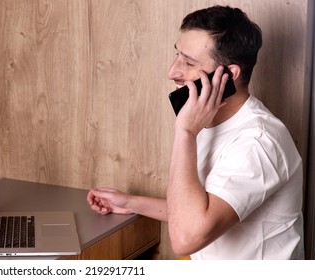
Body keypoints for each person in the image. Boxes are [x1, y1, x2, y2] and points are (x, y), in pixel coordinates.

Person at [86, 5, 304, 260]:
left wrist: (186, 131)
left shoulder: (257, 142)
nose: (172, 72)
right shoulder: (210, 119)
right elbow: (200, 210)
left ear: (228, 75)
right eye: (178, 55)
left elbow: (187, 237)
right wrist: (130, 203)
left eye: (188, 62)